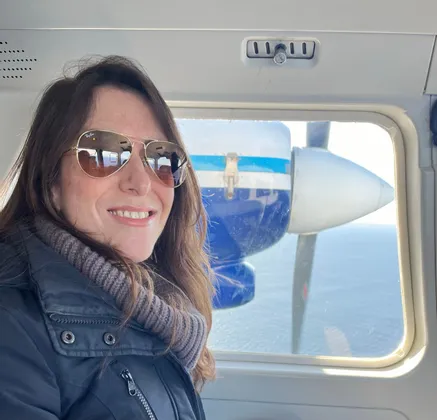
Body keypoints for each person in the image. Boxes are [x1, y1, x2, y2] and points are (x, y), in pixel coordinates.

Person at [0, 55, 216, 419]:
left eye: (161, 157)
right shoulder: (11, 325)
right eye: (104, 153)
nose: (142, 182)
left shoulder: (154, 304)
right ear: (51, 181)